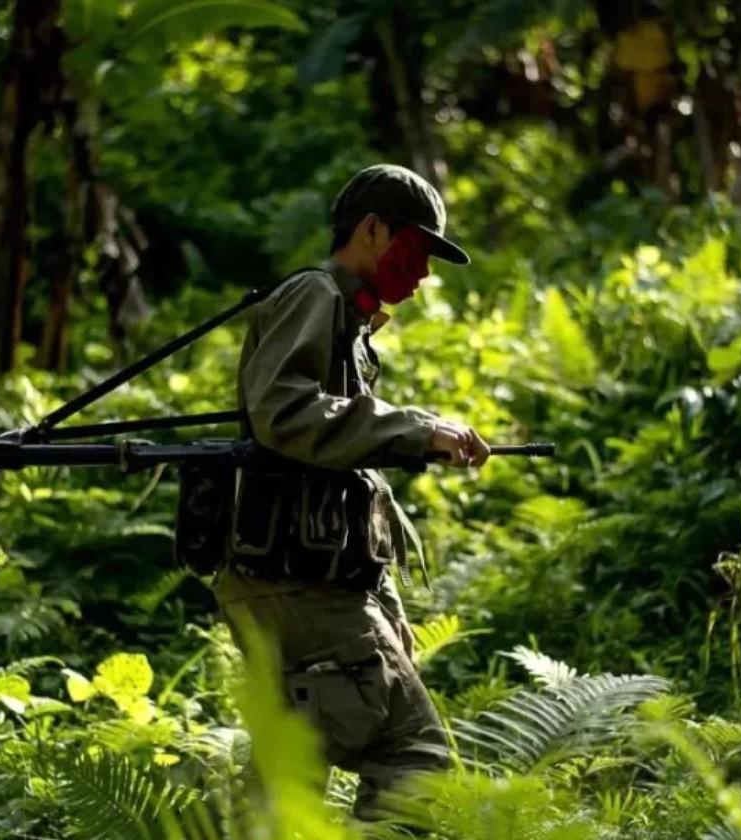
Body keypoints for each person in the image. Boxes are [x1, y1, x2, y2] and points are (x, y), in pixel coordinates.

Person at [212, 163, 490, 819]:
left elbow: (343, 468)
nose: (422, 276)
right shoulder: (316, 297)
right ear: (371, 230)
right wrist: (417, 429)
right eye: (416, 252)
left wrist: (385, 606)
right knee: (416, 757)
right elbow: (284, 414)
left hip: (300, 577)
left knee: (290, 772)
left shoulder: (347, 320)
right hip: (297, 581)